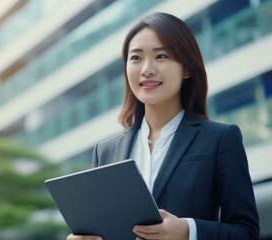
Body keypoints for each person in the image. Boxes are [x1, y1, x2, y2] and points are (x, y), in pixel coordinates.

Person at [67, 12, 259, 240]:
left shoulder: (220, 139)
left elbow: (246, 231)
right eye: (136, 58)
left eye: (161, 56)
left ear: (187, 68)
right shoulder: (105, 151)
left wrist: (188, 231)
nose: (146, 69)